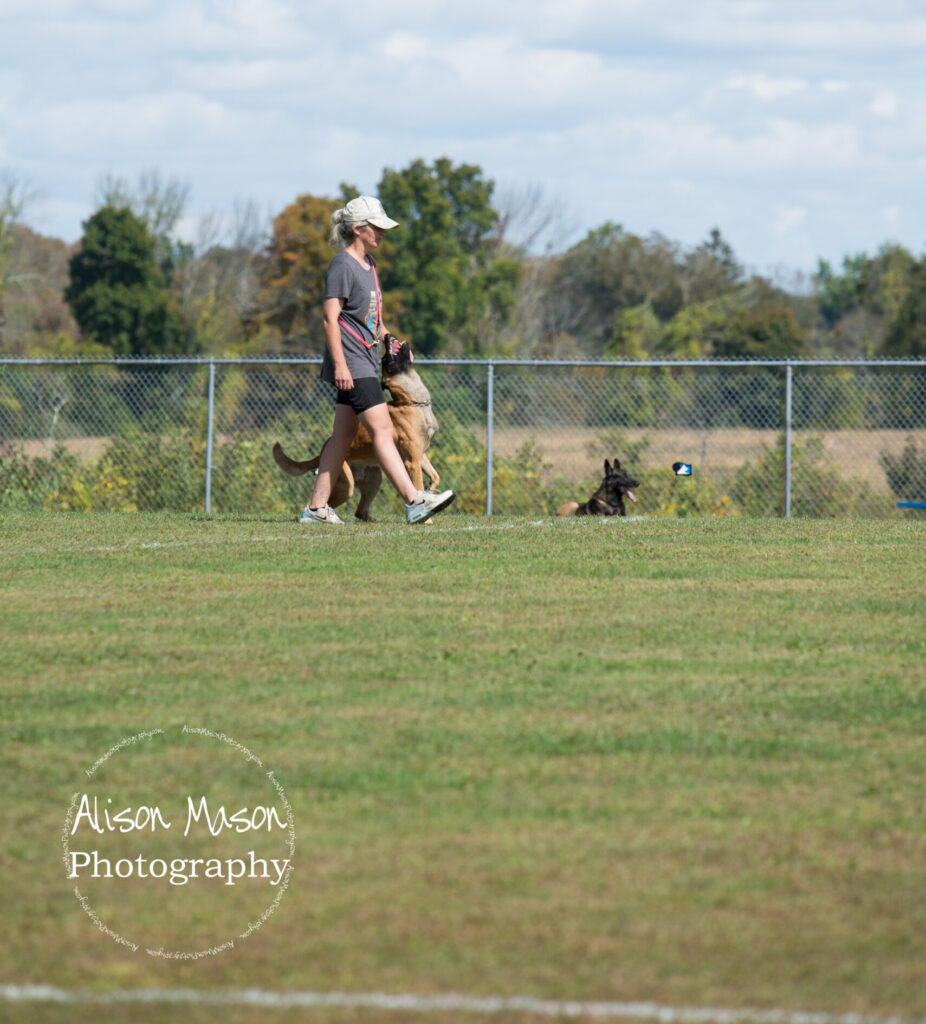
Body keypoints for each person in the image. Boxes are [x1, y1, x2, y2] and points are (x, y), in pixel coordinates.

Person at [300, 195, 456, 525]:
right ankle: (414, 501)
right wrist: (341, 365)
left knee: (342, 436)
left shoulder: (369, 265)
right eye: (377, 228)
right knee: (384, 428)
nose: (383, 234)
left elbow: (373, 319)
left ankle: (316, 509)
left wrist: (392, 342)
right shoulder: (342, 265)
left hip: (368, 360)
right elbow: (331, 318)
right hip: (353, 362)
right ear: (358, 229)